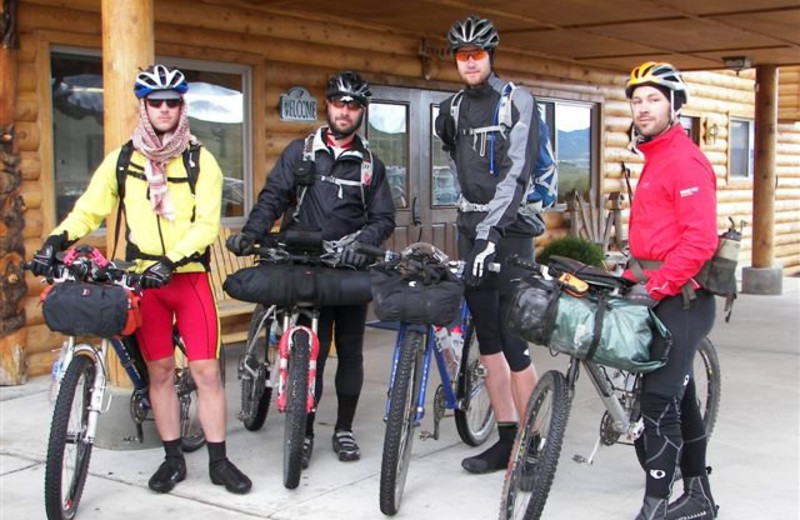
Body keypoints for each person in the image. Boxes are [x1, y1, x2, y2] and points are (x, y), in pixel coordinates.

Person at [30, 64, 252, 495]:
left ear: (181, 106)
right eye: (156, 102)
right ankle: (172, 459)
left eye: (172, 102)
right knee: (161, 371)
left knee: (205, 371)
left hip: (187, 279)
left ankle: (220, 461)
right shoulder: (124, 159)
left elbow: (208, 224)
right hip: (141, 281)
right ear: (144, 107)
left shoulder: (199, 159)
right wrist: (57, 238)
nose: (165, 109)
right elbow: (91, 208)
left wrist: (171, 260)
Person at [227, 71, 395, 466]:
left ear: (361, 113)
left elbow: (384, 218)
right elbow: (272, 198)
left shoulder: (372, 166)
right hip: (301, 262)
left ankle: (344, 430)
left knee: (351, 352)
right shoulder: (299, 152)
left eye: (353, 106)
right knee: (312, 356)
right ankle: (302, 435)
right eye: (339, 103)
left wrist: (360, 245)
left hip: (348, 267)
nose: (345, 111)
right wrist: (251, 234)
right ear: (328, 105)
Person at [434, 15, 541, 474]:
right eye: (463, 55)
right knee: (490, 343)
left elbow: (516, 174)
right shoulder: (451, 110)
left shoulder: (517, 102)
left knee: (515, 343)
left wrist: (491, 235)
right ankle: (506, 439)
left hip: (510, 235)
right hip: (470, 231)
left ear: (491, 56)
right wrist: (475, 235)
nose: (470, 61)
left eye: (478, 54)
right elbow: (458, 162)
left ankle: (535, 447)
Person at [623, 62, 719, 520]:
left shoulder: (684, 159)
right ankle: (699, 496)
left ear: (674, 106)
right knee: (680, 398)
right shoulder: (657, 156)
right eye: (637, 100)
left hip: (684, 299)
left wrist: (656, 284)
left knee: (657, 400)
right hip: (659, 289)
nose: (643, 108)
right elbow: (656, 236)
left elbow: (700, 240)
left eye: (653, 99)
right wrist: (630, 274)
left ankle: (654, 509)